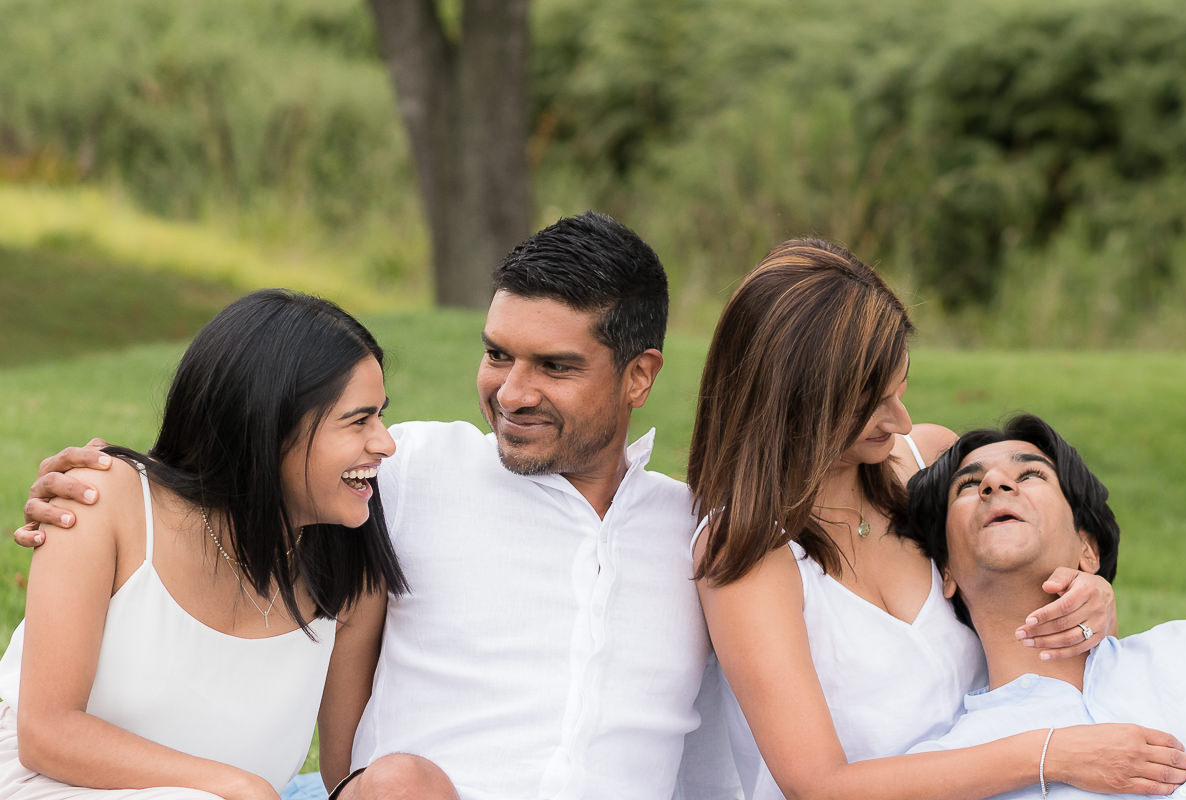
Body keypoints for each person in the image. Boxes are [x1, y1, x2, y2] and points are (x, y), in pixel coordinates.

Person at [19, 212, 738, 800]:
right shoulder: (404, 475)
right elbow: (246, 458)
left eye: (554, 367)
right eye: (496, 355)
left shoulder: (699, 535)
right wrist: (89, 486)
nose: (512, 394)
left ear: (639, 376)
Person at [686, 238, 1186, 799]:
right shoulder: (749, 551)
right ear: (800, 402)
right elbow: (819, 787)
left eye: (899, 387)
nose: (900, 417)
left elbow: (1022, 589)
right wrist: (1052, 752)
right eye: (872, 403)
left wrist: (1091, 596)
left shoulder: (927, 462)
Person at [0, 290, 409, 799]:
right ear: (270, 425)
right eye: (359, 419)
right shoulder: (104, 501)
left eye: (381, 415)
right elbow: (46, 735)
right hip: (44, 784)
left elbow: (344, 775)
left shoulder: (349, 573)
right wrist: (238, 787)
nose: (386, 442)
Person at [904, 413, 1186, 798]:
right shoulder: (941, 773)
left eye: (1030, 475)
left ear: (1087, 549)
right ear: (947, 572)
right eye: (969, 485)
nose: (994, 483)